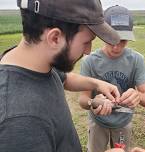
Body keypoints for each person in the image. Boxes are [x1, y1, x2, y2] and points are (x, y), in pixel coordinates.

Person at [0, 0, 122, 151]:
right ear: (55, 38)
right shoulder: (21, 122)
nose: (88, 51)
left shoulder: (37, 61)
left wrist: (97, 84)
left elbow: (64, 78)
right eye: (86, 42)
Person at [79, 5, 145, 152]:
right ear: (103, 34)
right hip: (98, 122)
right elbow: (83, 100)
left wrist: (137, 96)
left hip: (123, 122)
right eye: (111, 39)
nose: (116, 47)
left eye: (123, 40)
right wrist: (93, 102)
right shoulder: (90, 61)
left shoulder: (136, 60)